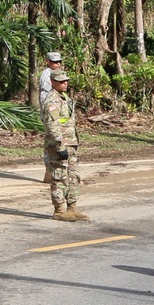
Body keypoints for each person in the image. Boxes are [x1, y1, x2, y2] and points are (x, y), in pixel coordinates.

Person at [41, 69, 87, 222]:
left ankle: (72, 207)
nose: (65, 83)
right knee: (59, 177)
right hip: (59, 145)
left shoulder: (64, 98)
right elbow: (52, 125)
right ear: (52, 82)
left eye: (66, 80)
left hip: (71, 143)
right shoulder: (52, 101)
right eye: (61, 81)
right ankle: (60, 209)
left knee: (73, 176)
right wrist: (60, 146)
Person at [39, 52, 63, 182]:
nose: (57, 64)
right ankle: (49, 171)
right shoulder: (46, 76)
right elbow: (47, 99)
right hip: (50, 116)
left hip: (57, 115)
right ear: (48, 62)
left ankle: (54, 171)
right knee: (51, 141)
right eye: (55, 62)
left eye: (59, 61)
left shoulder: (57, 74)